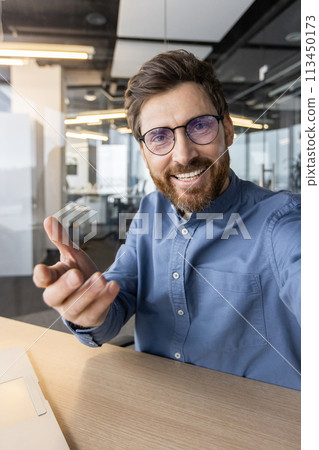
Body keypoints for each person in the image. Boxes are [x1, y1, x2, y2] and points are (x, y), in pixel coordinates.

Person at [33, 50, 300, 390]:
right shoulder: (149, 210)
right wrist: (91, 306)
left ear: (228, 130)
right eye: (160, 136)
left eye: (200, 126)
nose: (184, 154)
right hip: (153, 409)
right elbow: (115, 306)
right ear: (144, 152)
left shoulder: (282, 222)